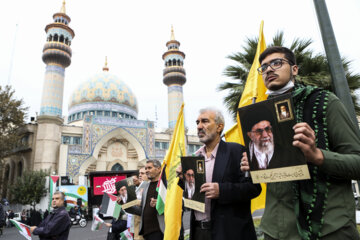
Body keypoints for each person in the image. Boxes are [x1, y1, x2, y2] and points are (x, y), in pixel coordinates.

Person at [241, 46, 360, 240]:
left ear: (295, 69)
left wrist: (319, 156)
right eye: (263, 67)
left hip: (329, 228)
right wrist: (255, 165)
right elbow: (278, 174)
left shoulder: (324, 102)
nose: (269, 69)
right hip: (276, 230)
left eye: (277, 63)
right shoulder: (257, 116)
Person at [179, 108, 261, 240]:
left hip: (228, 232)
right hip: (198, 232)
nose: (199, 126)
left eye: (205, 121)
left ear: (219, 127)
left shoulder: (236, 151)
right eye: (197, 122)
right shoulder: (194, 158)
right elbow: (194, 194)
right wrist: (184, 179)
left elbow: (253, 189)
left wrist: (221, 190)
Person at [127, 159, 165, 240]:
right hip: (146, 233)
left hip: (160, 232)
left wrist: (160, 204)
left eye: (149, 168)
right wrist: (125, 204)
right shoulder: (146, 187)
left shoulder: (165, 185)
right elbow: (141, 211)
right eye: (146, 168)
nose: (147, 170)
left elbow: (177, 207)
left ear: (158, 169)